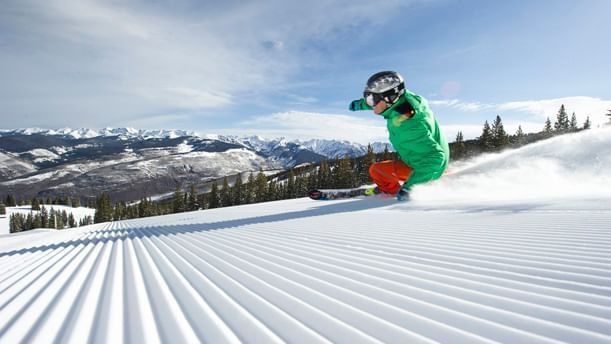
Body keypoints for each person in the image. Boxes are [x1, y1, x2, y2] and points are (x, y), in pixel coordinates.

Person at [349, 71, 450, 200]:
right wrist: (360, 104)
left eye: (372, 100)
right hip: (419, 159)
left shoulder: (409, 125)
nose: (371, 104)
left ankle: (392, 190)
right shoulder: (405, 101)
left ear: (390, 98)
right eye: (368, 99)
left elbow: (435, 158)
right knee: (379, 169)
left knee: (376, 170)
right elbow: (384, 101)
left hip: (426, 168)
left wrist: (410, 187)